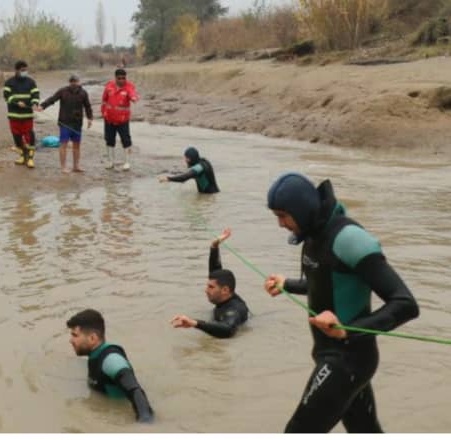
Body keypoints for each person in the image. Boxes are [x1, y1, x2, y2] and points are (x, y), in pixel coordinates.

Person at [265, 172, 419, 432]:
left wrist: (348, 330)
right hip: (331, 355)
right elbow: (325, 283)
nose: (280, 224)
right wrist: (287, 284)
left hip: (348, 359)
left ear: (302, 210)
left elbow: (405, 304)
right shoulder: (313, 233)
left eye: (283, 215)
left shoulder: (350, 239)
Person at [65, 309, 154, 423]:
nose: (70, 340)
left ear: (92, 338)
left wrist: (145, 423)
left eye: (75, 335)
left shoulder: (112, 361)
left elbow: (135, 390)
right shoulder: (94, 355)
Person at [171, 228, 250, 338]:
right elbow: (215, 272)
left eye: (211, 287)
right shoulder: (227, 295)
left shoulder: (235, 310)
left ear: (225, 290)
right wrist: (214, 246)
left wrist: (196, 323)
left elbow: (228, 331)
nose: (206, 290)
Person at [39, 73, 94, 173]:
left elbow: (88, 106)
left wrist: (90, 118)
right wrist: (42, 106)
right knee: (63, 144)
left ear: (78, 82)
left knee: (77, 145)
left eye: (75, 81)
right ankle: (63, 167)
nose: (74, 83)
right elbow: (52, 99)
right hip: (65, 123)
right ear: (69, 82)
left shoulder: (83, 93)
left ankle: (76, 166)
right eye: (72, 81)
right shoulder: (63, 91)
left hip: (77, 123)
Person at [3, 60, 40, 168]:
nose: (25, 72)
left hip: (27, 115)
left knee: (30, 136)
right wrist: (16, 102)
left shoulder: (31, 82)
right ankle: (23, 156)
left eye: (26, 70)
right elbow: (6, 96)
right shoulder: (9, 82)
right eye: (23, 70)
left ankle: (30, 158)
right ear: (17, 70)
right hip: (14, 115)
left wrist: (34, 103)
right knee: (17, 137)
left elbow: (36, 94)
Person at [100, 67, 138, 171]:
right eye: (119, 78)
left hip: (123, 120)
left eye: (123, 78)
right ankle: (110, 161)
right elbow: (104, 100)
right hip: (109, 119)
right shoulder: (109, 86)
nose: (122, 80)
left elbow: (133, 94)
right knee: (109, 140)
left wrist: (134, 98)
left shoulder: (129, 86)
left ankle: (127, 162)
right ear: (115, 78)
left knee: (126, 140)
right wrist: (103, 113)